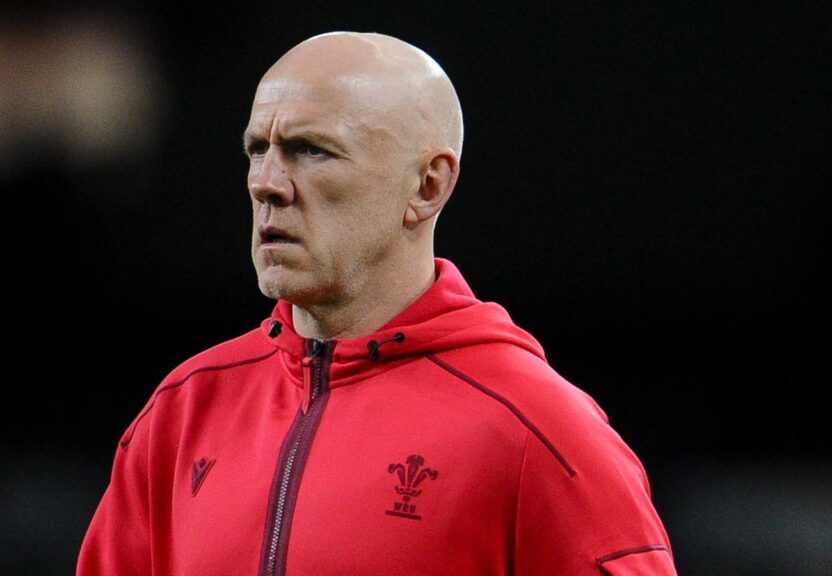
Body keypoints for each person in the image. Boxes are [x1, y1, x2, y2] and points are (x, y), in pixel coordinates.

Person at [77, 31, 677, 575]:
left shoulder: (536, 430)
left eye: (312, 150)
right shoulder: (182, 414)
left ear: (428, 186)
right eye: (258, 149)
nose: (266, 183)